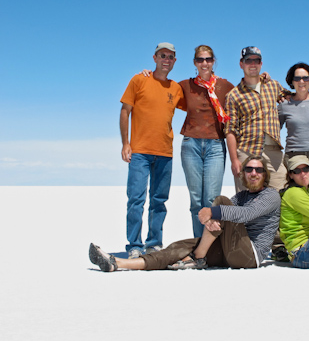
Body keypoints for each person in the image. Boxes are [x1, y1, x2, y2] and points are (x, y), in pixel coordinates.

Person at [89, 156, 281, 272]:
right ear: (244, 174)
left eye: (258, 170)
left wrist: (212, 212)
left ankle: (198, 258)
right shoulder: (242, 195)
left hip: (251, 256)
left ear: (265, 175)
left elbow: (247, 214)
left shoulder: (271, 195)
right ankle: (119, 263)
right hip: (232, 250)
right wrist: (212, 221)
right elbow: (228, 214)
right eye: (249, 169)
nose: (253, 173)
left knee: (221, 202)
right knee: (180, 247)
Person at [119, 42, 185, 259]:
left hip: (165, 152)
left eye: (171, 57)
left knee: (159, 200)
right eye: (162, 55)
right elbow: (125, 111)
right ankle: (134, 245)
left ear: (174, 61)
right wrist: (125, 143)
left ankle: (154, 243)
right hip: (139, 151)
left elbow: (197, 99)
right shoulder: (139, 80)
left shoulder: (175, 89)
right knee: (136, 199)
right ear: (155, 58)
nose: (166, 60)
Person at [225, 46, 289, 193]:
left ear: (261, 64)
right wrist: (234, 160)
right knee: (247, 201)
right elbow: (230, 130)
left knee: (281, 197)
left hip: (274, 152)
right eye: (248, 61)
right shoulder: (234, 95)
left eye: (256, 60)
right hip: (247, 152)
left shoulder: (273, 86)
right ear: (241, 64)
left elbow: (294, 96)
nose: (252, 64)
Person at [278, 62, 309, 201]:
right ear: (291, 81)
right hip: (294, 155)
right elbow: (274, 129)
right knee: (296, 199)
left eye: (305, 78)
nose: (302, 81)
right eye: (297, 78)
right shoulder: (284, 105)